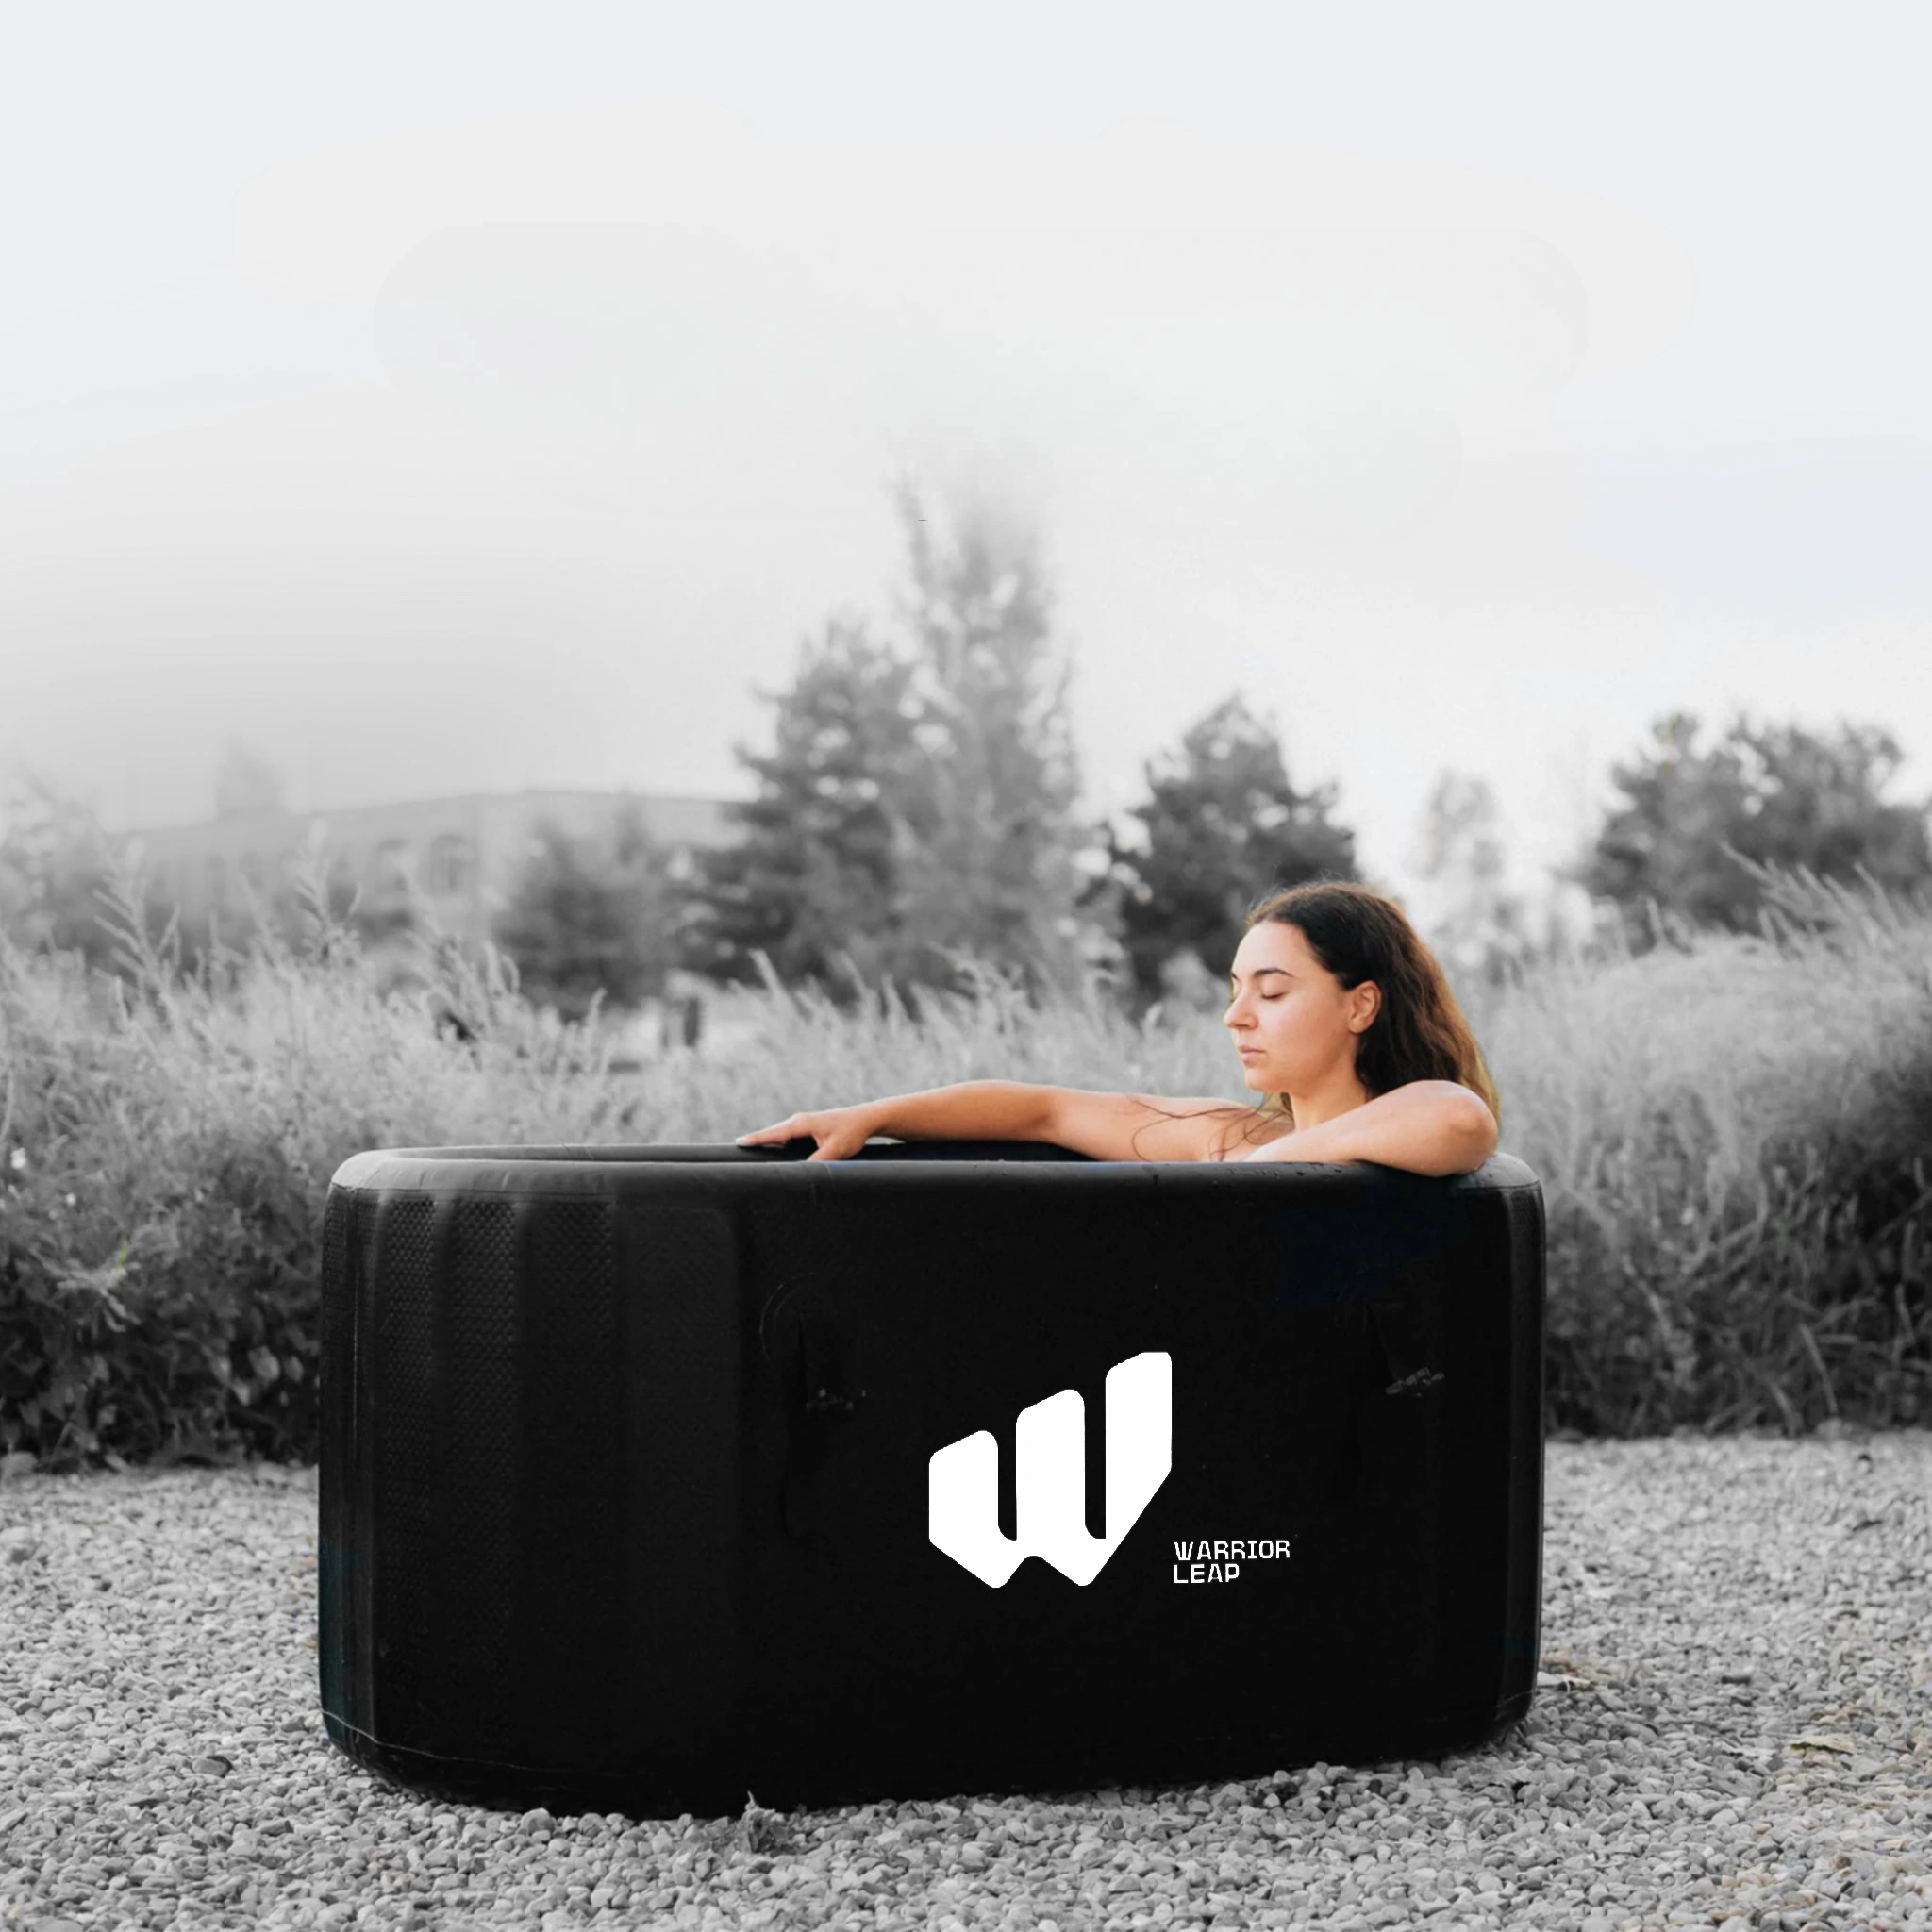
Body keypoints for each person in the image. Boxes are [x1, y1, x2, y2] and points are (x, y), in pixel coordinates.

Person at [736, 879, 1502, 1175]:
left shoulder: (1410, 1128)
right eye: (1236, 990)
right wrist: (870, 1117)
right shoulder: (1233, 1138)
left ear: (1360, 1006)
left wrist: (1267, 1168)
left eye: (1271, 993)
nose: (1236, 1015)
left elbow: (1460, 1117)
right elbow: (1047, 1110)